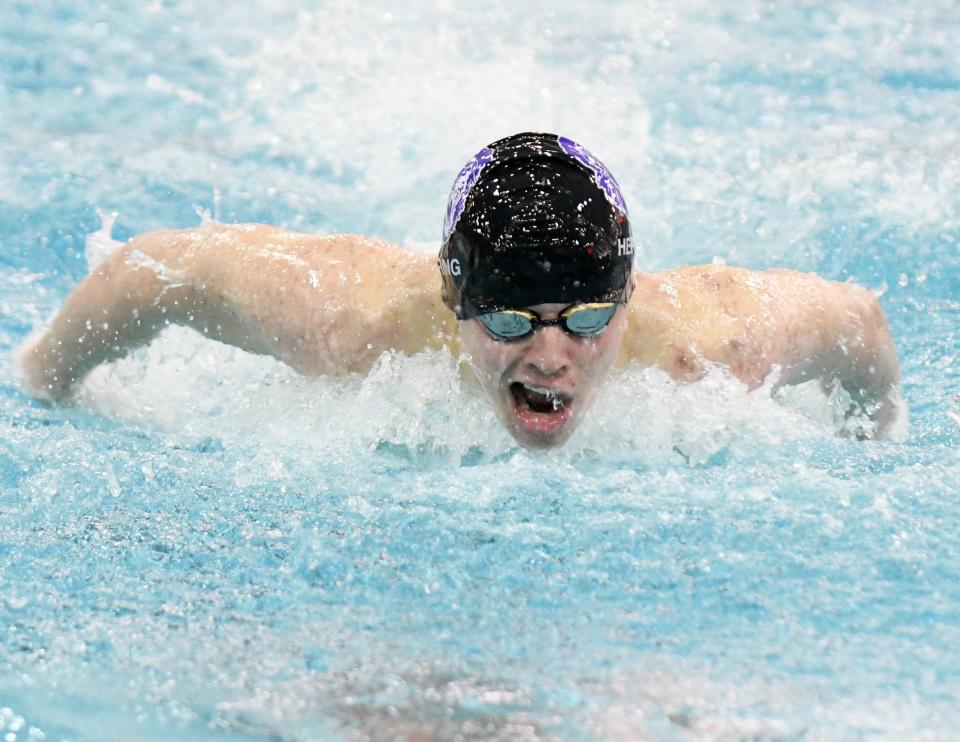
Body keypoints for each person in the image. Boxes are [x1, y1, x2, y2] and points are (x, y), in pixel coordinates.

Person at [18, 132, 902, 446]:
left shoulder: (710, 349)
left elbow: (859, 320)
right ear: (456, 300)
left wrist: (877, 438)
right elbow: (156, 269)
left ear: (627, 299)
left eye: (588, 316)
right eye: (514, 319)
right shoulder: (347, 326)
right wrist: (48, 381)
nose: (552, 355)